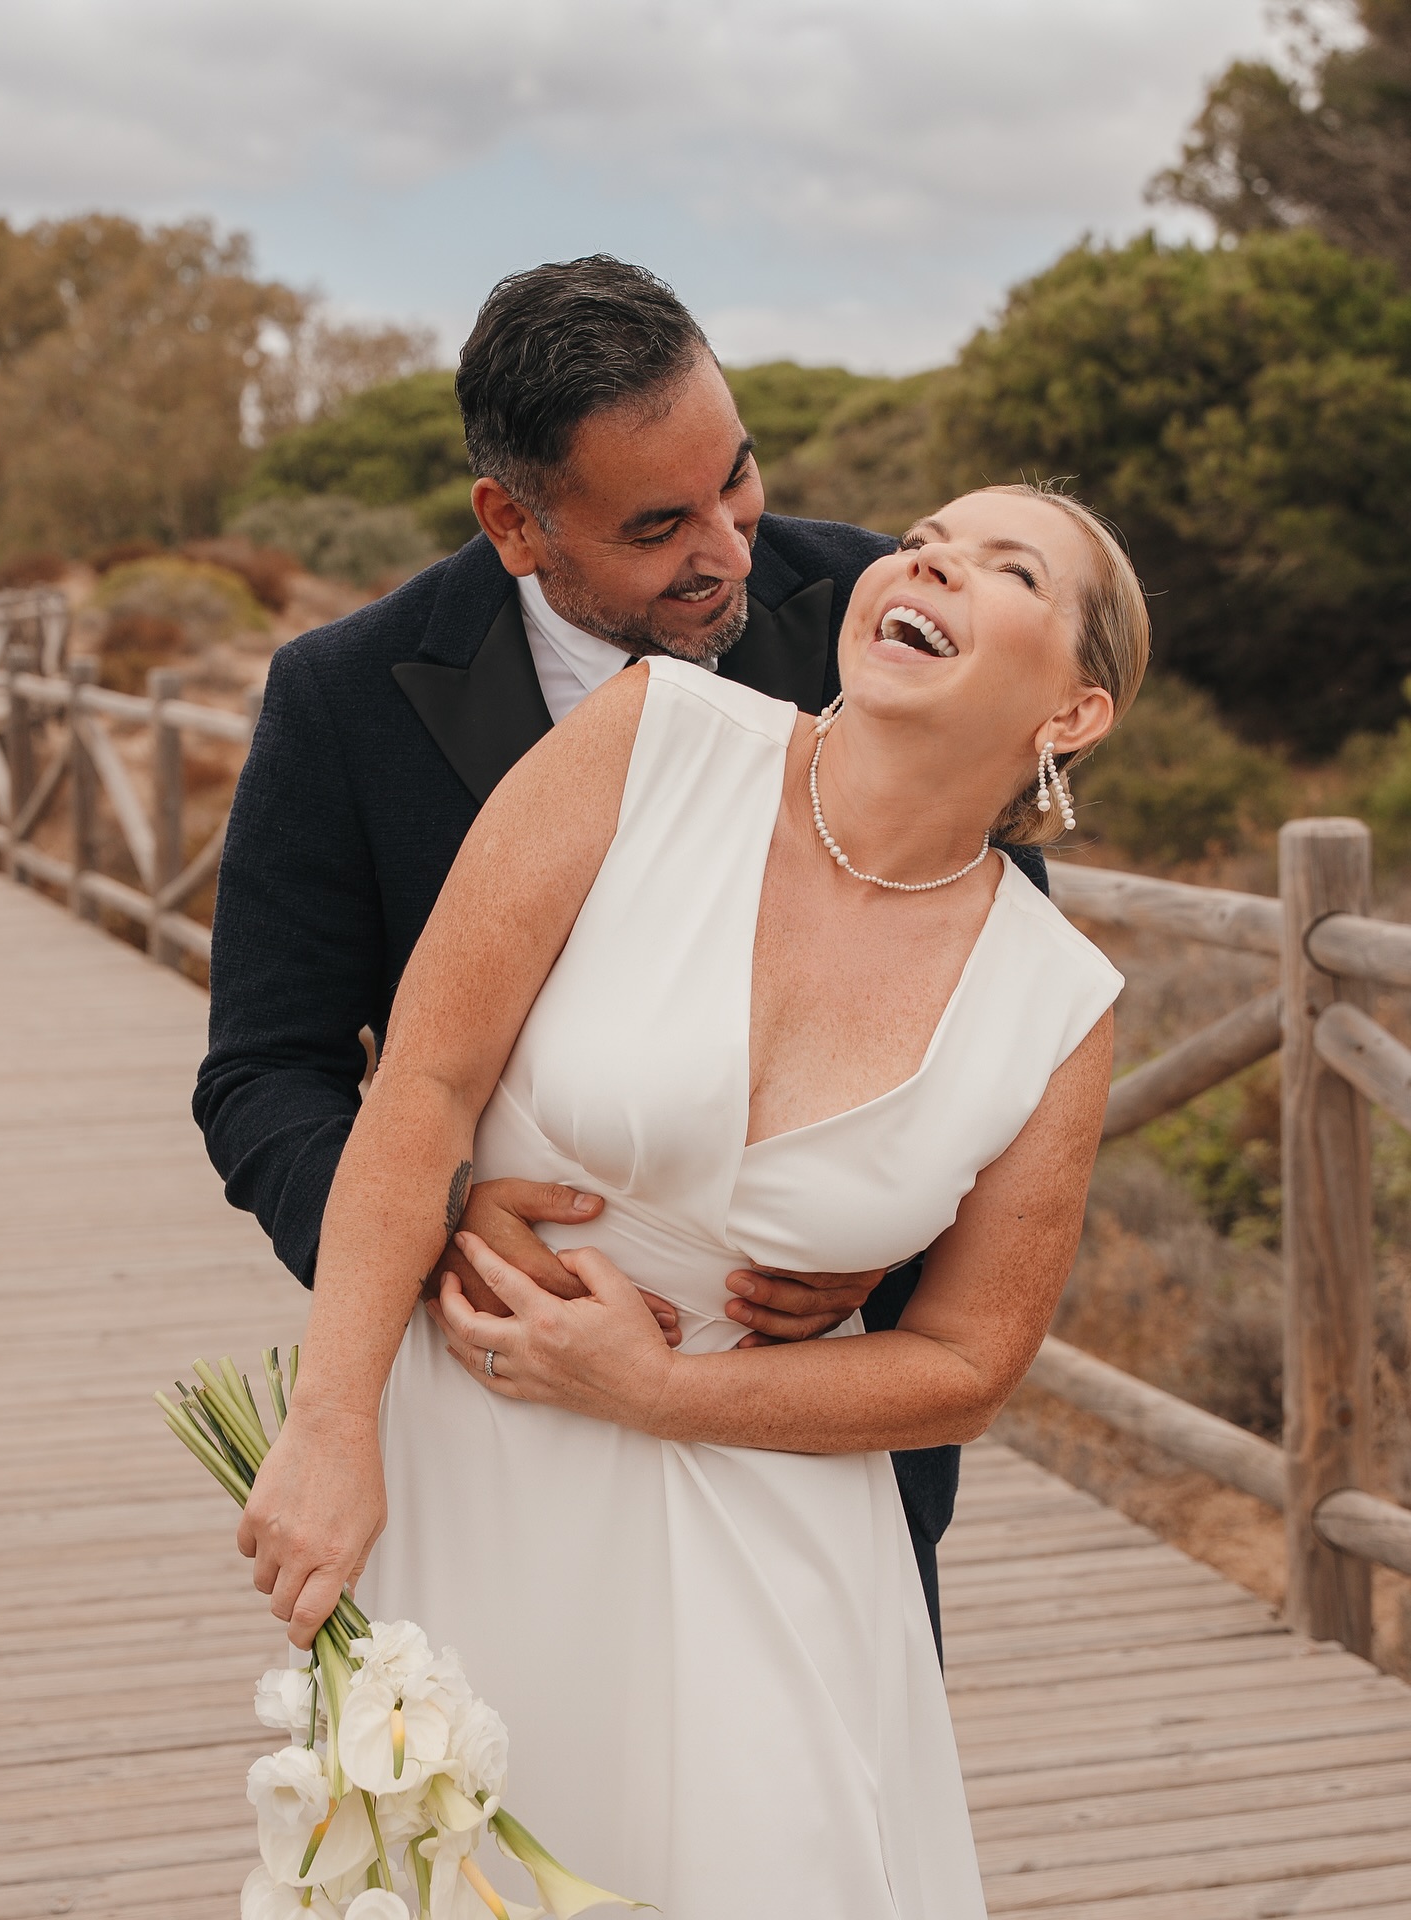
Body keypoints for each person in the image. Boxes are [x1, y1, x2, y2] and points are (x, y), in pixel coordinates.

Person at [237, 476, 1149, 1916]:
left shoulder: (1058, 1005)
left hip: (778, 1531)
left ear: (1075, 714)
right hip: (479, 1450)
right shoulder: (652, 737)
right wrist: (331, 1425)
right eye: (922, 545)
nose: (933, 566)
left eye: (1006, 568)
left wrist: (657, 1392)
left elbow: (970, 1364)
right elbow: (421, 1085)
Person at [195, 256, 1050, 1646]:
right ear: (514, 525)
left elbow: (999, 995)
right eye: (661, 524)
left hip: (819, 1447)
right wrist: (446, 1237)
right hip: (498, 1425)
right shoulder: (343, 700)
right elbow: (264, 1075)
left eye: (741, 477)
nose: (729, 548)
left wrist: (892, 1223)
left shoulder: (883, 620)